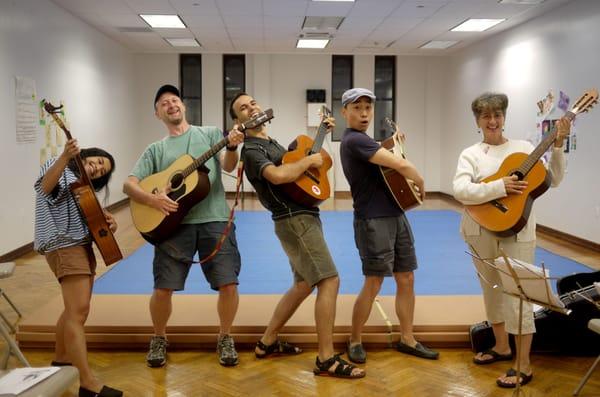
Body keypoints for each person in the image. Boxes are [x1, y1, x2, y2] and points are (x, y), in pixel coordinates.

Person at [230, 92, 365, 379]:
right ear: (238, 121)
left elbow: (299, 164)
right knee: (329, 280)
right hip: (293, 219)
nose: (251, 107)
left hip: (302, 215)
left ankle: (266, 343)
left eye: (253, 102)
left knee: (303, 284)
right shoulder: (252, 151)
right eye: (243, 107)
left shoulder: (272, 143)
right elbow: (279, 177)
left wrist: (319, 135)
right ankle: (326, 359)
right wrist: (309, 162)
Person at [123, 84, 245, 367]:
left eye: (175, 100)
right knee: (163, 287)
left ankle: (225, 336)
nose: (171, 105)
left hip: (214, 218)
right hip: (172, 226)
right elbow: (129, 185)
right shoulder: (155, 149)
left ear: (184, 105)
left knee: (228, 283)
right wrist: (152, 201)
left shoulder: (212, 134)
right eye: (164, 103)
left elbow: (228, 166)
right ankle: (159, 337)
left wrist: (233, 144)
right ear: (157, 114)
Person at [453, 92, 569, 388]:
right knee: (491, 289)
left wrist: (558, 145)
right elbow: (461, 190)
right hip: (480, 229)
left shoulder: (524, 148)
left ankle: (523, 364)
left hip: (517, 230)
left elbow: (553, 179)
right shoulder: (471, 153)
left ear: (504, 117)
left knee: (519, 294)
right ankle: (502, 346)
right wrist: (499, 185)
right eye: (486, 116)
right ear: (477, 121)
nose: (492, 121)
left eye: (498, 115)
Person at [339, 88, 439, 364]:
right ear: (344, 112)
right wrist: (418, 177)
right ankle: (355, 339)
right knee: (374, 281)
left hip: (396, 214)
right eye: (356, 108)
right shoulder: (353, 141)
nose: (363, 113)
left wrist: (392, 142)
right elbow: (395, 163)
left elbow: (384, 159)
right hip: (372, 220)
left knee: (406, 278)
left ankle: (407, 338)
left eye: (367, 108)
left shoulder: (367, 141)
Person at [34, 140, 122, 397]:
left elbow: (90, 220)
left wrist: (109, 222)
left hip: (80, 246)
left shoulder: (83, 188)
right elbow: (44, 188)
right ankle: (88, 383)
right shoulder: (59, 166)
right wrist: (64, 156)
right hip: (63, 245)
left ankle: (61, 360)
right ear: (86, 155)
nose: (97, 168)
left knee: (73, 309)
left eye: (102, 169)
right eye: (96, 161)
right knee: (78, 312)